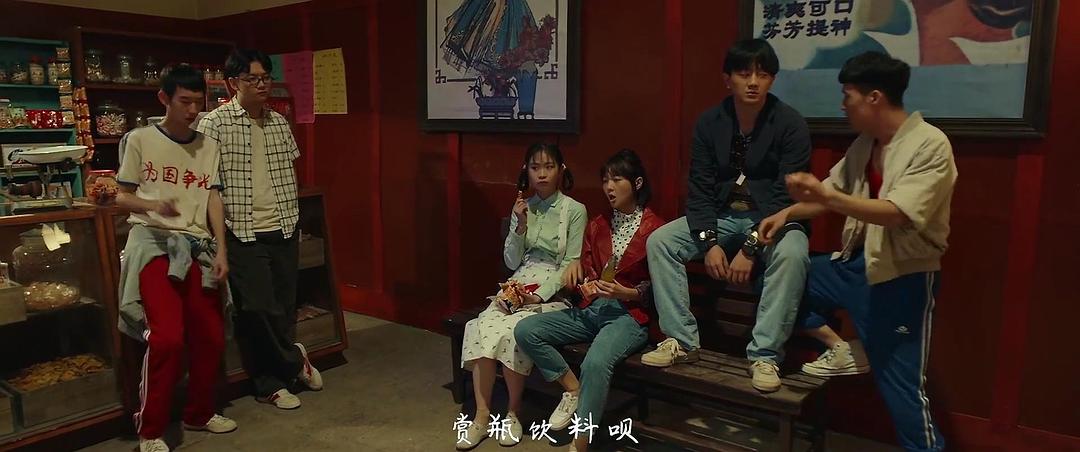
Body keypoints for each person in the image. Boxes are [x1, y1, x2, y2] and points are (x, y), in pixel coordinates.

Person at [772, 51, 956, 452]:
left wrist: (827, 197)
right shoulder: (864, 144)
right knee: (779, 276)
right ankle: (842, 347)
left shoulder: (930, 144)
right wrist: (785, 214)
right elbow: (829, 192)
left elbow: (896, 212)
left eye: (848, 95)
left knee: (901, 389)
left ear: (874, 98)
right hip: (853, 264)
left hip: (903, 276)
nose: (843, 105)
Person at [641, 38, 812, 393]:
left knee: (794, 251)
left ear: (772, 79)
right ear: (727, 79)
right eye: (744, 73)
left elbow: (785, 197)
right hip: (720, 216)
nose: (753, 82)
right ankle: (681, 342)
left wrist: (751, 247)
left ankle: (765, 355)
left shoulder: (790, 123)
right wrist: (710, 243)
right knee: (661, 241)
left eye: (762, 75)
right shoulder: (710, 123)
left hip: (773, 220)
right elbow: (700, 189)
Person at [115, 64, 237, 452]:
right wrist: (154, 205)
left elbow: (213, 197)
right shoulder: (139, 139)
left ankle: (199, 413)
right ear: (164, 98)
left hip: (198, 246)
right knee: (167, 338)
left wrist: (221, 249)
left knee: (211, 336)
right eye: (184, 101)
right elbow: (120, 196)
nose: (192, 110)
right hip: (154, 244)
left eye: (198, 102)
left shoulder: (208, 145)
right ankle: (150, 429)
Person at [196, 49, 322, 410]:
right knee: (256, 308)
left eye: (265, 77)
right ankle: (281, 373)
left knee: (282, 306)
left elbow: (289, 172)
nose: (262, 84)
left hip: (283, 225)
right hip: (241, 230)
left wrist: (294, 218)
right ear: (232, 83)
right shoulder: (214, 124)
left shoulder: (278, 122)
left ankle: (282, 376)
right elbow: (208, 184)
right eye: (252, 78)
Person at [516, 149, 665, 452]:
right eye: (605, 180)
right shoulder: (598, 225)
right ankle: (574, 390)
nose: (609, 187)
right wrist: (582, 279)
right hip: (593, 309)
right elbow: (587, 269)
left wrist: (629, 293)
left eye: (617, 180)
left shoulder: (656, 229)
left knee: (595, 362)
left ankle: (580, 443)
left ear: (637, 183)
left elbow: (663, 287)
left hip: (629, 316)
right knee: (526, 330)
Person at [456, 143, 587, 450]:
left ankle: (513, 412)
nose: (541, 174)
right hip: (519, 281)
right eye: (535, 167)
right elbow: (512, 261)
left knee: (513, 332)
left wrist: (537, 297)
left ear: (561, 170)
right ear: (526, 171)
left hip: (553, 291)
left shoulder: (574, 210)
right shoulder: (523, 207)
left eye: (549, 167)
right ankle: (482, 416)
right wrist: (520, 225)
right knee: (481, 326)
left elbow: (571, 263)